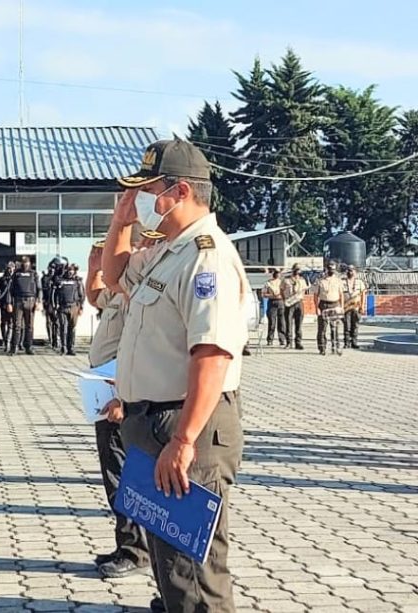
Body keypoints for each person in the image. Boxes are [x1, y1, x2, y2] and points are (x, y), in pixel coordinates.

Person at [102, 139, 247, 613]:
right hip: (151, 422)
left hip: (186, 425)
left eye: (147, 191)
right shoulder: (168, 250)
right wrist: (121, 222)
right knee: (170, 567)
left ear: (180, 191)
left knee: (193, 573)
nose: (140, 199)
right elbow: (114, 276)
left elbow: (211, 353)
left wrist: (183, 440)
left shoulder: (206, 257)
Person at [84, 242, 151, 580]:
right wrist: (93, 266)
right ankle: (125, 542)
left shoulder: (136, 295)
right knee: (112, 472)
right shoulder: (118, 293)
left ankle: (135, 550)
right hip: (104, 392)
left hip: (119, 398)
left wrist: (123, 398)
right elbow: (94, 297)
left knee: (125, 475)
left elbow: (136, 349)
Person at [6, 256, 40, 355]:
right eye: (23, 262)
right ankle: (14, 347)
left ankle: (29, 347)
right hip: (18, 301)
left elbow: (39, 289)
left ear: (30, 263)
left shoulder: (34, 274)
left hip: (31, 301)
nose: (25, 264)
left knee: (29, 326)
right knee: (17, 325)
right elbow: (10, 290)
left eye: (27, 263)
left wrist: (39, 301)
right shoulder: (16, 274)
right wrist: (8, 303)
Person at [313, 262, 345, 355]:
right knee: (322, 328)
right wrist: (316, 308)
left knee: (334, 328)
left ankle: (335, 347)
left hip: (335, 305)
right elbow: (315, 296)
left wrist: (342, 307)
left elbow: (341, 294)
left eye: (333, 270)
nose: (332, 271)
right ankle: (322, 348)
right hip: (324, 305)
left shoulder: (338, 281)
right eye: (330, 269)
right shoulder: (320, 281)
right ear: (326, 269)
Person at [53, 263, 85, 356]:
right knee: (63, 327)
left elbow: (82, 295)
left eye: (72, 270)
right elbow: (54, 294)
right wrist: (55, 306)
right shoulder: (59, 280)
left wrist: (81, 307)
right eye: (68, 270)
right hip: (62, 307)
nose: (70, 272)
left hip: (74, 307)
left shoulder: (78, 281)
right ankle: (63, 348)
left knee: (72, 328)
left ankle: (71, 348)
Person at [281, 264, 308, 350]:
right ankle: (289, 343)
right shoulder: (286, 280)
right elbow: (281, 290)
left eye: (299, 270)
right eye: (296, 270)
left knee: (298, 324)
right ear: (293, 270)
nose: (297, 271)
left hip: (299, 303)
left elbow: (304, 291)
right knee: (288, 324)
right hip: (289, 303)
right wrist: (284, 299)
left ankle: (298, 343)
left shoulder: (302, 280)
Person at [260, 269, 286, 347]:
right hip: (272, 302)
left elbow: (286, 293)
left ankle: (282, 339)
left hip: (281, 302)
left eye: (278, 273)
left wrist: (281, 296)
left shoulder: (282, 282)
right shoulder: (268, 283)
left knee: (281, 322)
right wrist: (272, 295)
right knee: (272, 322)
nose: (277, 275)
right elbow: (263, 294)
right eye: (276, 273)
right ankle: (270, 339)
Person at [343, 266, 366, 349]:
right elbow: (340, 295)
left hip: (356, 307)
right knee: (346, 326)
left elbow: (363, 294)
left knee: (355, 325)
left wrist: (362, 306)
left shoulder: (360, 282)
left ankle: (354, 342)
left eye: (352, 271)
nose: (350, 272)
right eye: (349, 271)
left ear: (355, 272)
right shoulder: (342, 282)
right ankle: (346, 343)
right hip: (346, 307)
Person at [0, 262, 15, 347]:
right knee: (3, 322)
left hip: (13, 303)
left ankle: (8, 341)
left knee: (11, 322)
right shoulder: (2, 279)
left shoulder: (15, 278)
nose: (10, 269)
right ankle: (4, 340)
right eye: (8, 268)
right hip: (3, 303)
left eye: (12, 268)